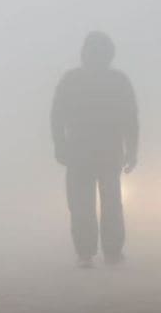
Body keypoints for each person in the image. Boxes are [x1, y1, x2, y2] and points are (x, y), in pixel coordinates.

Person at [50, 31, 139, 269]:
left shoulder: (74, 79)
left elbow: (130, 117)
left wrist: (59, 144)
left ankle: (89, 253)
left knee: (85, 204)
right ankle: (104, 253)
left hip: (86, 152)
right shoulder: (115, 80)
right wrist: (131, 150)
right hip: (95, 152)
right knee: (101, 203)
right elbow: (130, 118)